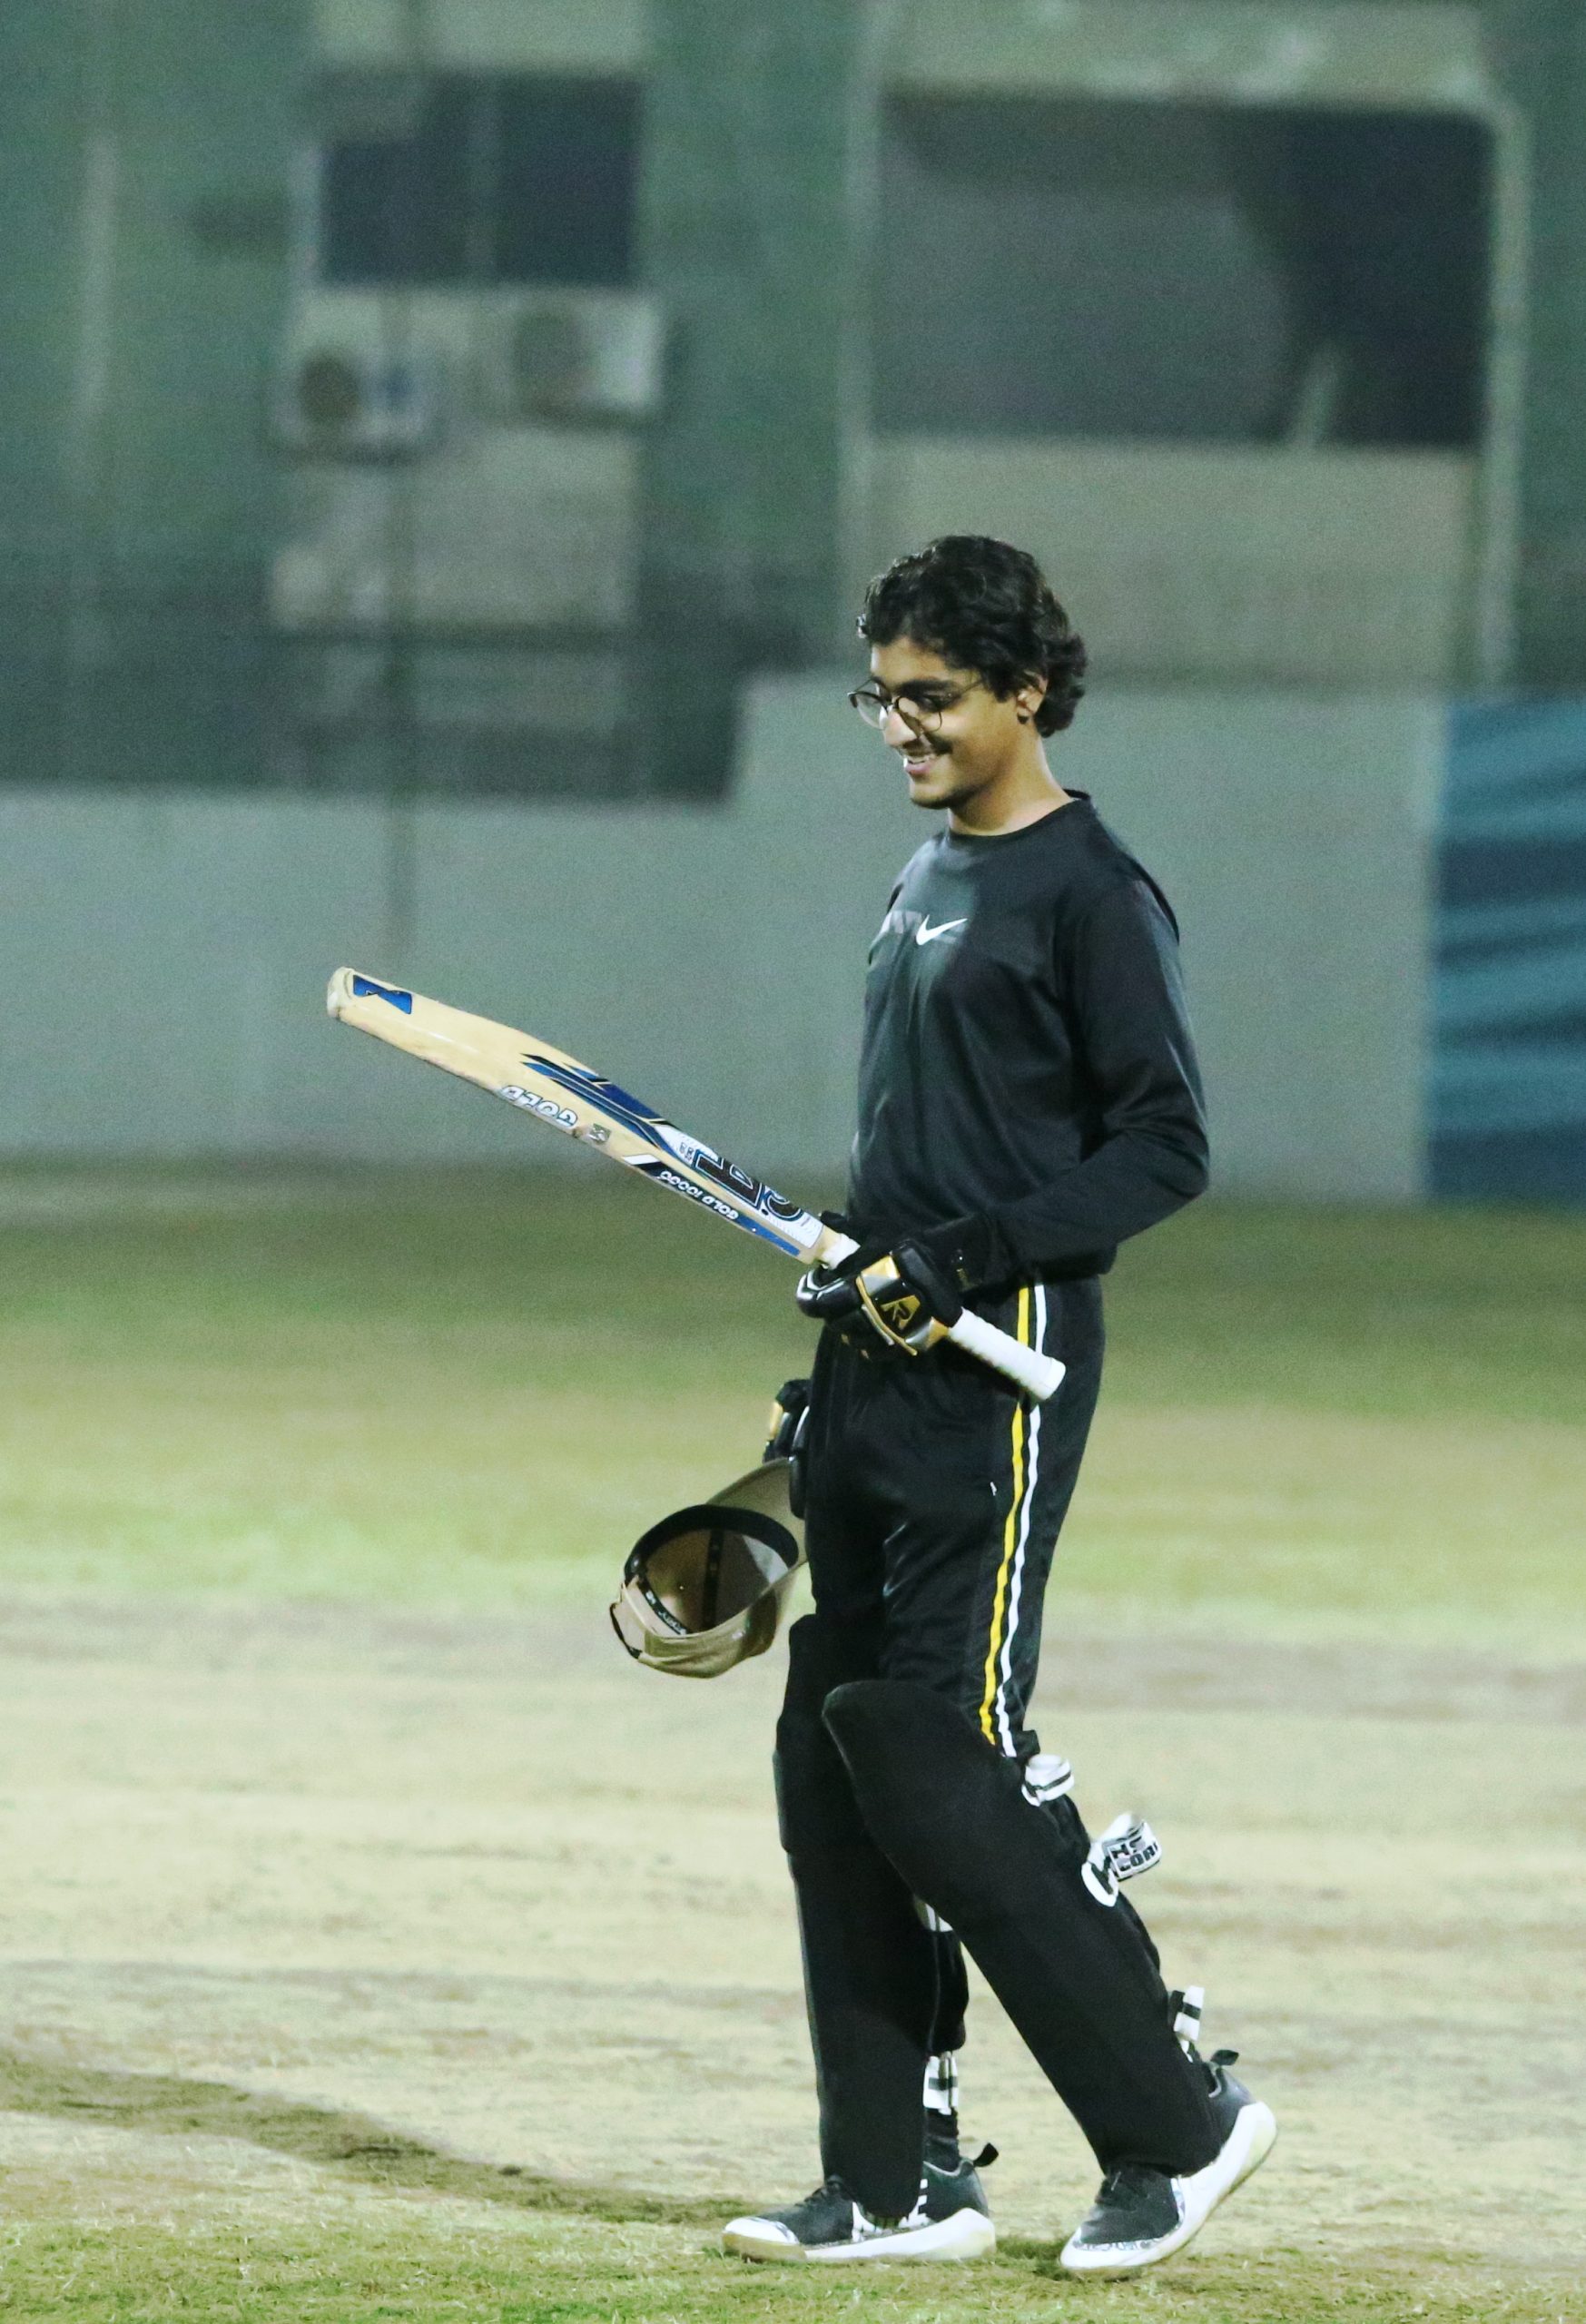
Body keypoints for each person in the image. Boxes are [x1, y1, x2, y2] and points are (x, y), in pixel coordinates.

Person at [721, 536, 1276, 2276]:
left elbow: (1164, 1149)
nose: (901, 725)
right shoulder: (924, 875)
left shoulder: (1091, 892)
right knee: (835, 1744)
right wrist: (855, 1292)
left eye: (935, 696)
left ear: (1027, 691)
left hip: (1002, 1360)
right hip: (882, 1361)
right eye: (880, 696)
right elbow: (933, 1149)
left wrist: (956, 1259)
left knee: (942, 1755)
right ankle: (896, 2180)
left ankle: (1177, 2128)